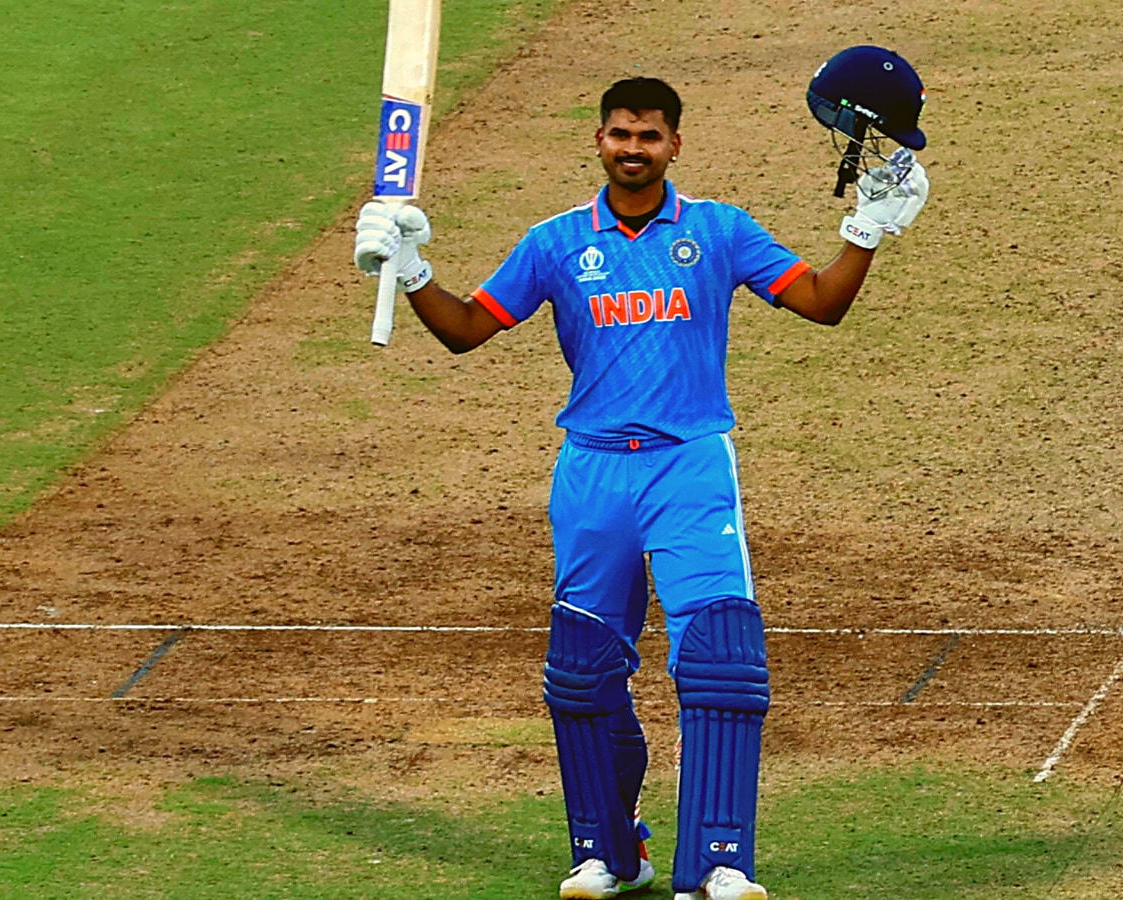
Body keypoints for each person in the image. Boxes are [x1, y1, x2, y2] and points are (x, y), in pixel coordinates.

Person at [355, 65, 928, 900]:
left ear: (674, 145)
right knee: (583, 668)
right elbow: (468, 331)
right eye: (620, 134)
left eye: (649, 136)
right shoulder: (554, 243)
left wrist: (867, 234)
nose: (633, 149)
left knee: (723, 659)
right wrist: (410, 270)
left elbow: (821, 303)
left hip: (689, 464)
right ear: (599, 140)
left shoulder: (721, 231)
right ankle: (609, 851)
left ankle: (721, 863)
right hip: (590, 471)